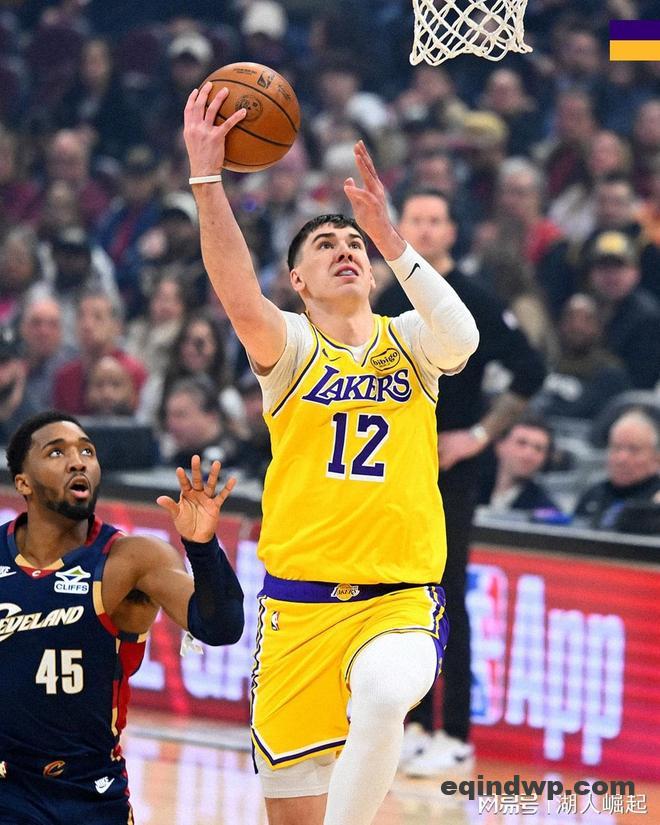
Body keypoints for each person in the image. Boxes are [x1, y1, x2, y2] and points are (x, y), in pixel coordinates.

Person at [184, 84, 479, 825]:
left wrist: (391, 239)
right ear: (298, 282)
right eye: (325, 246)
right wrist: (207, 178)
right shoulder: (290, 348)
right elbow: (237, 294)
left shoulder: (411, 341)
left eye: (354, 246)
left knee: (384, 693)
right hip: (297, 610)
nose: (345, 251)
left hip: (398, 597)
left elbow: (464, 339)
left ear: (372, 270)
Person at [0, 410, 244, 823]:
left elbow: (222, 627)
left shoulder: (132, 559)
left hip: (90, 793)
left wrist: (202, 548)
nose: (77, 462)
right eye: (57, 452)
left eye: (87, 452)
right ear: (23, 481)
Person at [375, 188, 545, 776]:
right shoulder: (387, 298)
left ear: (452, 231)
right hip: (397, 467)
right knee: (402, 591)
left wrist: (478, 435)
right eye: (415, 219)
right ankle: (416, 724)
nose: (425, 229)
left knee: (447, 591)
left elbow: (530, 369)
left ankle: (457, 733)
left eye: (435, 219)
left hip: (453, 468)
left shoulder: (473, 297)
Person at [574, 409, 660, 531]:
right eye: (616, 448)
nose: (621, 459)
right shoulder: (594, 494)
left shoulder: (656, 502)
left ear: (656, 458)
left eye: (634, 450)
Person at [478, 417, 560, 512]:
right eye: (521, 443)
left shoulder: (545, 510)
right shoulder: (470, 488)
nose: (528, 454)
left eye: (538, 449)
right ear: (499, 445)